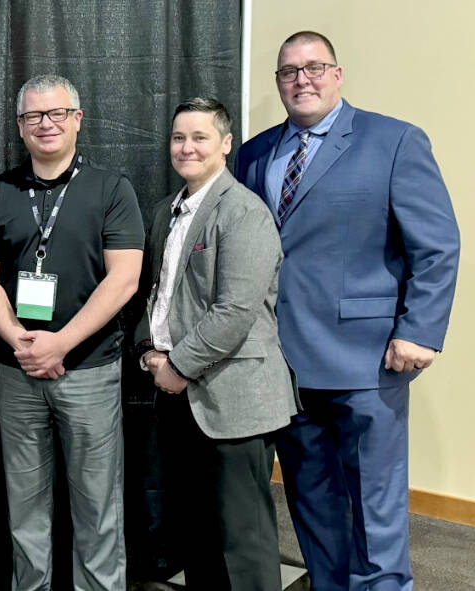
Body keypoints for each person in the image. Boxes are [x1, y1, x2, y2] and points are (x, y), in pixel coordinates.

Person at [235, 31, 460, 591]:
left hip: (368, 359)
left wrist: (420, 332)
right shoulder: (253, 153)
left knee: (376, 505)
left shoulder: (394, 141)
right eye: (288, 71)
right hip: (282, 363)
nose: (301, 79)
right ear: (279, 83)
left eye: (314, 68)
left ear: (337, 75)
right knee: (311, 500)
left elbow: (436, 247)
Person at [0, 74, 144, 591]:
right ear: (20, 126)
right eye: (33, 116)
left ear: (77, 120)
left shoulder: (112, 189)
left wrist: (60, 343)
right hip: (17, 373)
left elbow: (125, 278)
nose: (45, 124)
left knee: (97, 503)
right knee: (24, 504)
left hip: (88, 370)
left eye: (56, 113)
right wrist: (22, 342)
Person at [134, 97, 298, 590]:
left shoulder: (245, 212)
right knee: (198, 532)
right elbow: (156, 294)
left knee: (241, 537)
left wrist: (177, 366)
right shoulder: (167, 210)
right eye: (179, 137)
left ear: (226, 144)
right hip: (179, 397)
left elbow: (235, 312)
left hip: (234, 397)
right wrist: (148, 350)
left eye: (200, 137)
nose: (187, 147)